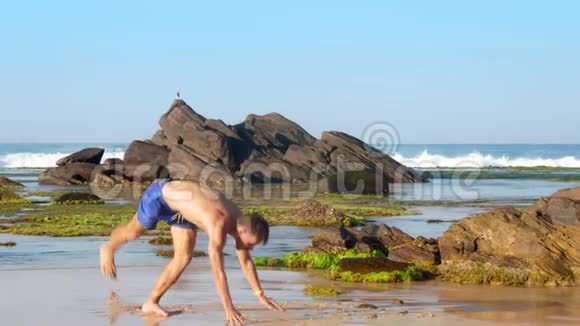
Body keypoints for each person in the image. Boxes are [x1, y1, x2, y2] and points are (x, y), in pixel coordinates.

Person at [100, 179, 284, 324]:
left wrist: (260, 294)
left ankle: (151, 302)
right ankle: (109, 247)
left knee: (184, 257)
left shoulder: (242, 220)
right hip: (161, 197)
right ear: (242, 231)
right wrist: (228, 308)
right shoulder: (219, 225)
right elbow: (218, 272)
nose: (249, 248)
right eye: (251, 243)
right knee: (133, 232)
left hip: (183, 210)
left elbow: (246, 261)